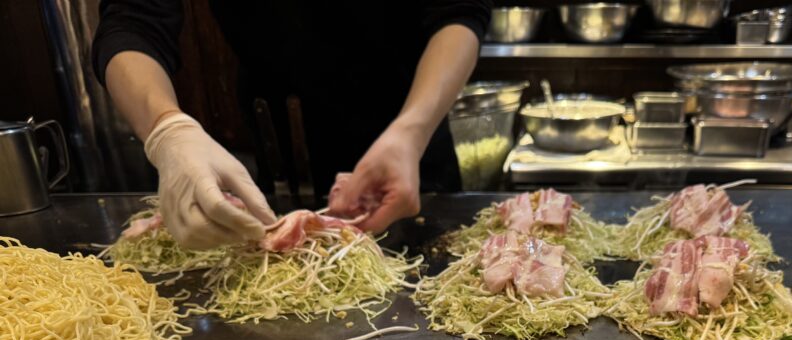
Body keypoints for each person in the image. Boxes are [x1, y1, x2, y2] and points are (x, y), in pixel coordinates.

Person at [92, 1, 492, 249]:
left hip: (411, 160)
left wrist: (411, 132)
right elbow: (131, 20)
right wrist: (167, 129)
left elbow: (460, 11)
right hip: (280, 165)